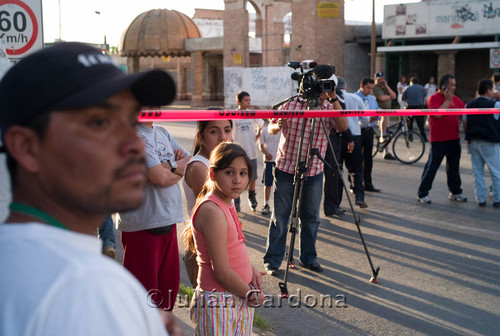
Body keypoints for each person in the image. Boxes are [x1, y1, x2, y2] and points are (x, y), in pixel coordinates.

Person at [0, 42, 182, 335]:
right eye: (100, 122)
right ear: (27, 147)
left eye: (130, 119)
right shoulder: (85, 288)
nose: (135, 144)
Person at [263, 79, 347, 275]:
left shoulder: (328, 107)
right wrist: (278, 125)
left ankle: (309, 258)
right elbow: (271, 127)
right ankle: (273, 261)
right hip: (286, 168)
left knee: (310, 218)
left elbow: (342, 127)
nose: (323, 92)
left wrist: (334, 98)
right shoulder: (290, 104)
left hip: (314, 171)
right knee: (281, 218)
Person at [189, 142, 265, 335]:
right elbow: (221, 271)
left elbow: (232, 248)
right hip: (218, 302)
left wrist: (250, 270)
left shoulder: (227, 202)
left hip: (236, 295)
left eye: (243, 173)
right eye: (229, 173)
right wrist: (250, 294)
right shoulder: (212, 210)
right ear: (213, 174)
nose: (237, 180)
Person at [118, 120, 191, 311]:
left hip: (168, 219)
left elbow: (190, 162)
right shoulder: (132, 135)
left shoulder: (162, 132)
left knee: (168, 293)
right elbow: (159, 178)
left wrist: (168, 167)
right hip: (142, 225)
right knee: (142, 299)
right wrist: (174, 169)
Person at [182, 119, 233, 287]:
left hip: (220, 243)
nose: (222, 137)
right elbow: (215, 209)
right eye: (214, 132)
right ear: (200, 137)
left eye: (227, 130)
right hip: (204, 247)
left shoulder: (217, 163)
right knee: (212, 309)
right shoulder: (199, 167)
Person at [417, 74, 467, 204]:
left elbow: (465, 111)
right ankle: (423, 193)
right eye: (452, 85)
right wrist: (446, 101)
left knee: (454, 167)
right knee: (432, 166)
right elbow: (437, 114)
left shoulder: (455, 99)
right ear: (444, 86)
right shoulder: (433, 98)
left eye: (455, 85)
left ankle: (455, 191)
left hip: (454, 138)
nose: (454, 87)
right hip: (439, 140)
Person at [324, 77, 370, 216]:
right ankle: (359, 196)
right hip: (352, 136)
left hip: (337, 138)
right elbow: (366, 120)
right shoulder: (354, 98)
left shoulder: (330, 99)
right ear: (346, 86)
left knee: (336, 172)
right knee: (356, 169)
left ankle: (335, 203)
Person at [463, 79, 500, 208]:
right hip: (490, 142)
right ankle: (497, 198)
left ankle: (481, 199)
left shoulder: (468, 105)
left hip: (474, 141)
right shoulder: (495, 105)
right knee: (496, 172)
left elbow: (465, 124)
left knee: (477, 172)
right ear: (489, 91)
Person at [232, 91, 264, 213]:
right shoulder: (233, 115)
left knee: (252, 177)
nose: (248, 102)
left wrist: (257, 136)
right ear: (239, 101)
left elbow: (261, 125)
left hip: (251, 152)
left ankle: (252, 196)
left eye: (249, 100)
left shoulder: (251, 114)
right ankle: (236, 199)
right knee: (237, 177)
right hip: (238, 153)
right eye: (246, 100)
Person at [355, 77, 382, 193]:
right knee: (356, 158)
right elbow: (352, 115)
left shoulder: (372, 98)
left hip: (368, 130)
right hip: (358, 130)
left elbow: (378, 112)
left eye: (371, 88)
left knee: (368, 158)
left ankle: (368, 182)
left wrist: (376, 117)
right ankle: (355, 184)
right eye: (368, 88)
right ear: (362, 85)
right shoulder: (354, 98)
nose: (370, 91)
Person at [373, 72, 397, 160]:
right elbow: (381, 98)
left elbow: (394, 96)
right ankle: (382, 134)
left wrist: (387, 86)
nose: (381, 81)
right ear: (376, 80)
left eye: (382, 79)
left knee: (387, 132)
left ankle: (386, 152)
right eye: (379, 79)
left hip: (386, 111)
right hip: (378, 110)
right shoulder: (374, 87)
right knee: (385, 117)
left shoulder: (385, 87)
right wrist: (388, 97)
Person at [259, 121, 281, 214]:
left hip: (280, 161)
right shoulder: (264, 130)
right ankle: (266, 204)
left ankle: (280, 206)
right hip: (269, 161)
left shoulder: (282, 129)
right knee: (268, 184)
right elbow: (261, 146)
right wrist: (266, 154)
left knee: (281, 185)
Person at [402, 76, 428, 142]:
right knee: (420, 124)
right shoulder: (421, 88)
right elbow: (425, 95)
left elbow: (403, 98)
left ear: (411, 82)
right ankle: (423, 138)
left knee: (409, 124)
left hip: (409, 107)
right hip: (419, 107)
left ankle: (410, 137)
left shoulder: (407, 88)